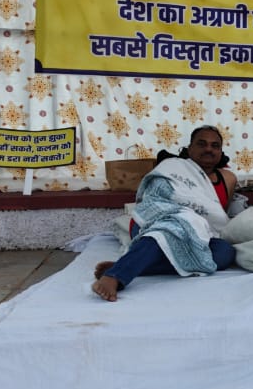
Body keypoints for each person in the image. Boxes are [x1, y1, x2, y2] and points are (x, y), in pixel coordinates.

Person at [91, 126, 237, 301]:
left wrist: (192, 225)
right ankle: (115, 276)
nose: (208, 149)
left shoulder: (228, 178)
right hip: (157, 222)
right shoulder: (172, 167)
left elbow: (217, 216)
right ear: (190, 148)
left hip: (200, 233)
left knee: (225, 253)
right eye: (201, 144)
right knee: (166, 232)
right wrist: (182, 218)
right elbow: (154, 199)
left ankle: (133, 265)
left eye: (215, 146)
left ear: (221, 152)